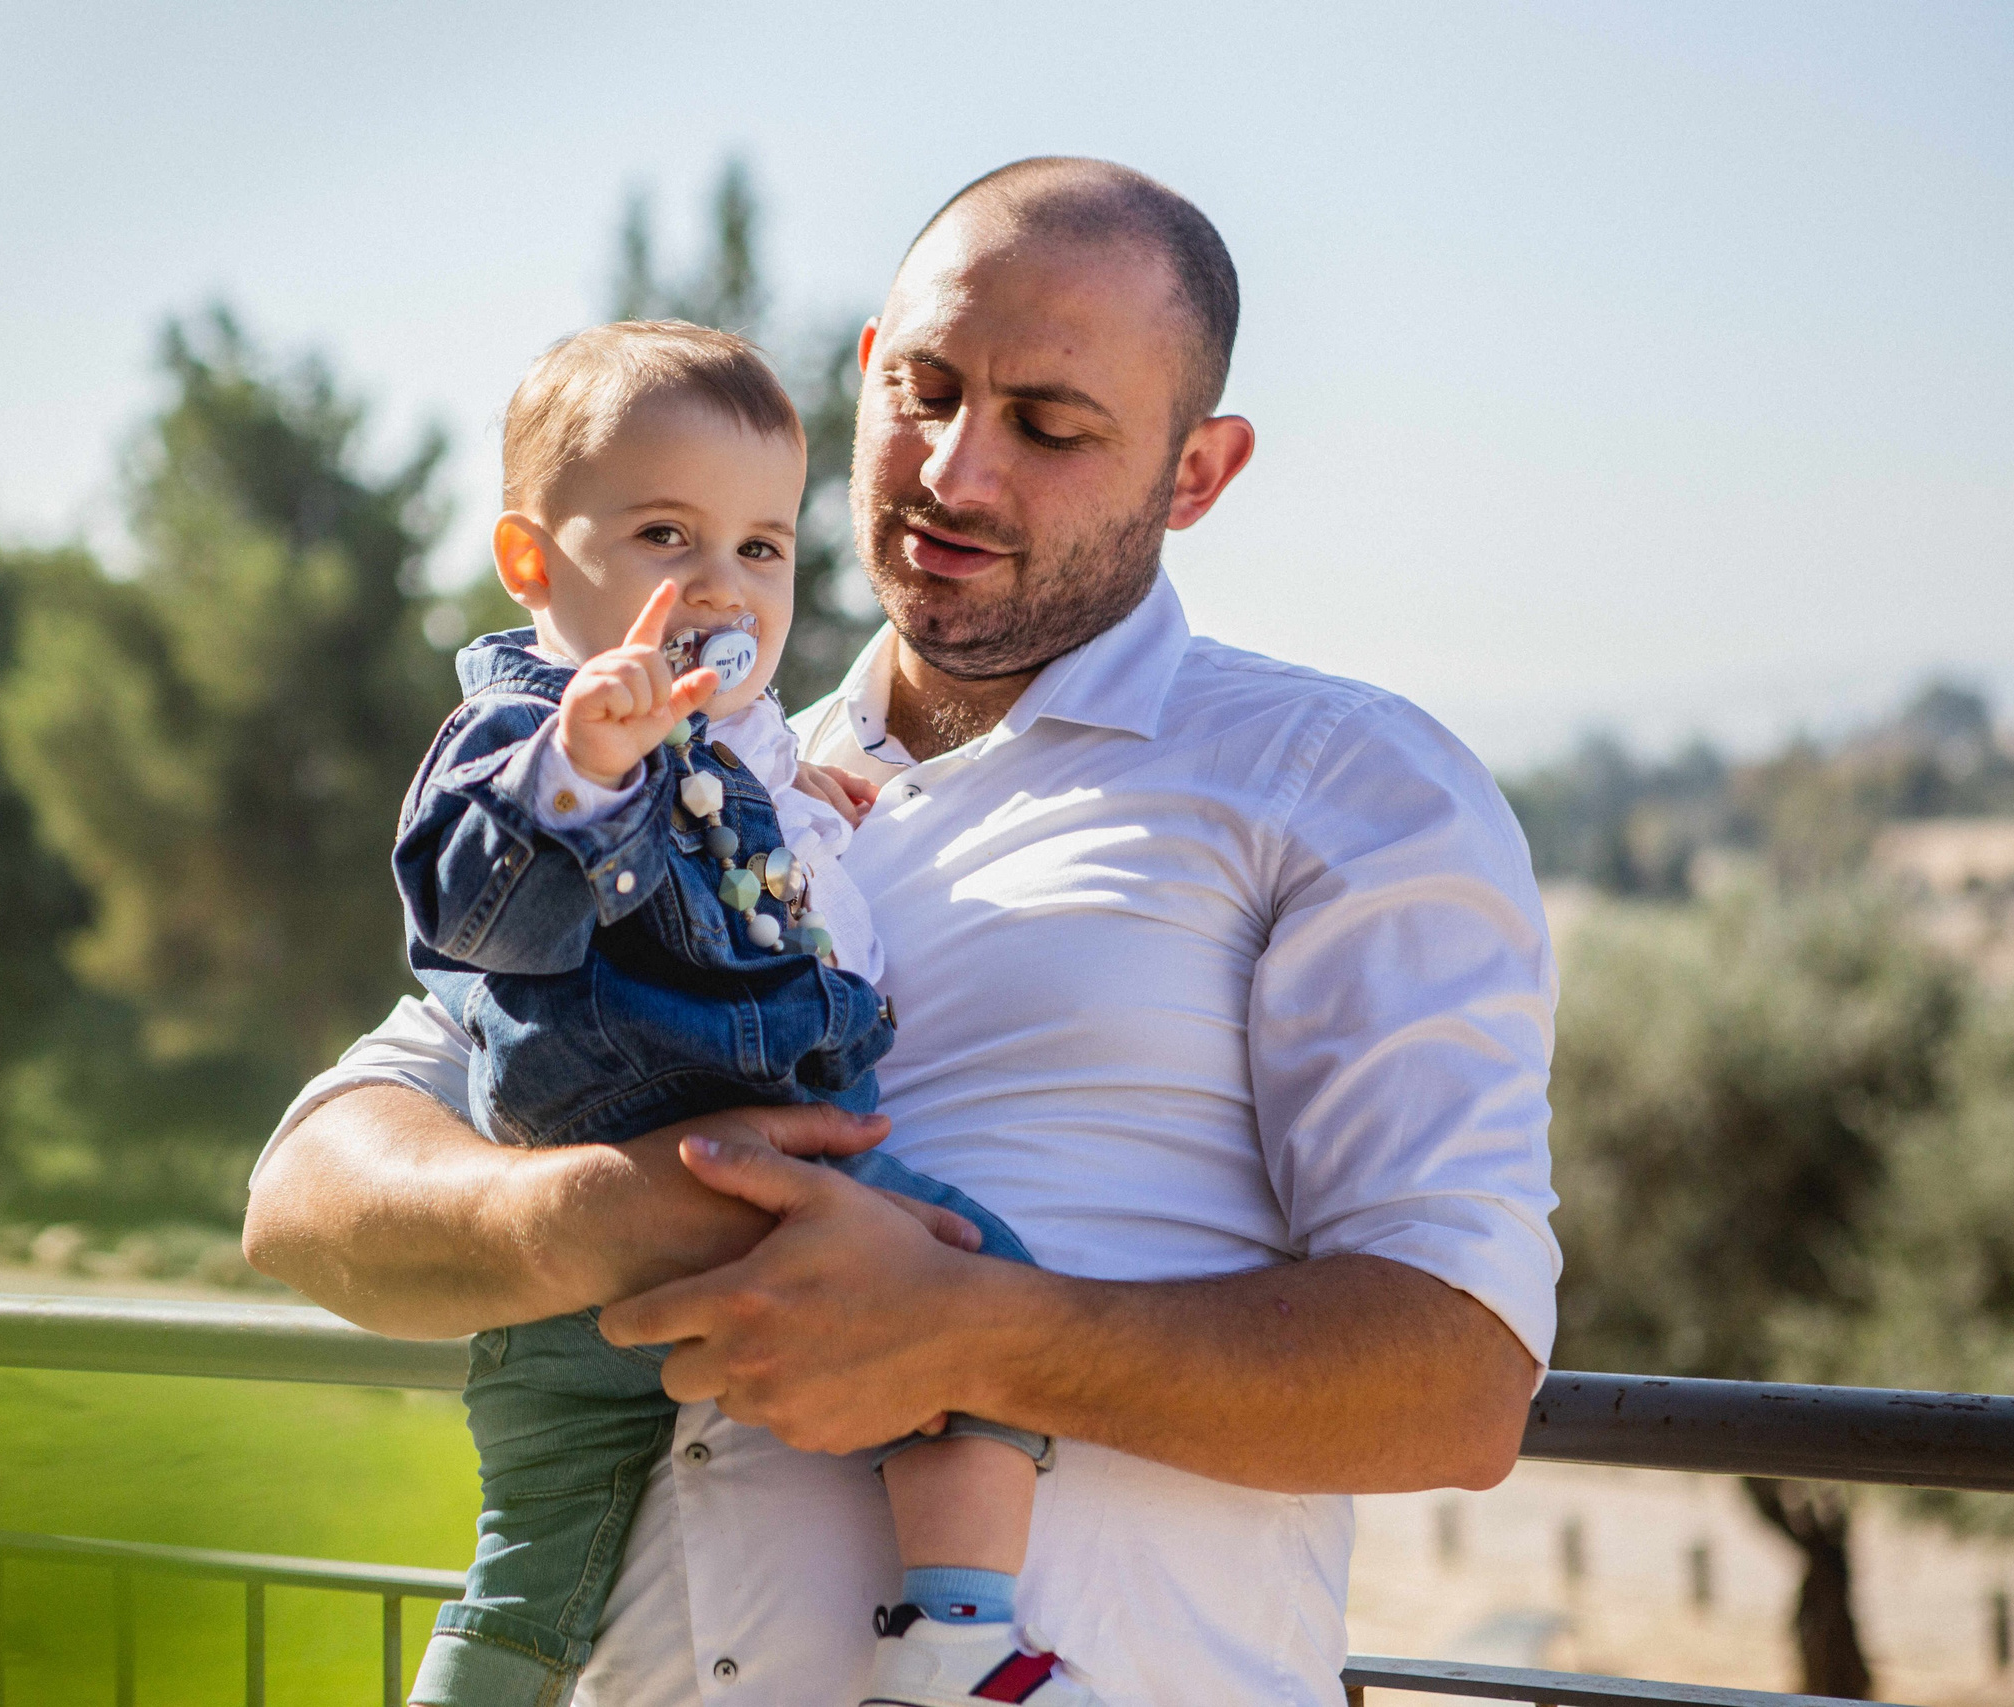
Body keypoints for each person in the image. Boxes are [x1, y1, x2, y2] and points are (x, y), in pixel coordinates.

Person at [245, 157, 1561, 1707]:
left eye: (1050, 426)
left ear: (1197, 473)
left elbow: (1458, 1381)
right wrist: (604, 1217)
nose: (955, 470)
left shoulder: (1344, 784)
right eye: (922, 393)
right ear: (866, 372)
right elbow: (307, 1194)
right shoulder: (698, 783)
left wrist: (973, 1336)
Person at [395, 320, 1090, 1707]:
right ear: (531, 562)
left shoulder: (756, 753)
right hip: (726, 1182)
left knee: (540, 1564)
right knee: (983, 1307)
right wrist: (586, 768)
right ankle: (958, 1643)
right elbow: (467, 919)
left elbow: (741, 858)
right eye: (666, 535)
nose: (722, 583)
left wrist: (802, 816)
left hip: (615, 1259)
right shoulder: (527, 738)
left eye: (762, 547)